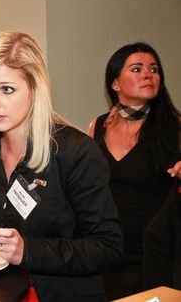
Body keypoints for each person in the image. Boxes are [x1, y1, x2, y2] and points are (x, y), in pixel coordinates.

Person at [0, 31, 123, 301]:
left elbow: (108, 246)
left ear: (35, 89)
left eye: (7, 89)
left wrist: (27, 251)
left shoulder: (76, 152)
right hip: (4, 292)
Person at [88, 42, 181, 299]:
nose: (148, 74)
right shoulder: (97, 126)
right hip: (107, 249)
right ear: (115, 83)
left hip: (154, 252)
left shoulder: (175, 127)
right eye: (137, 69)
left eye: (153, 69)